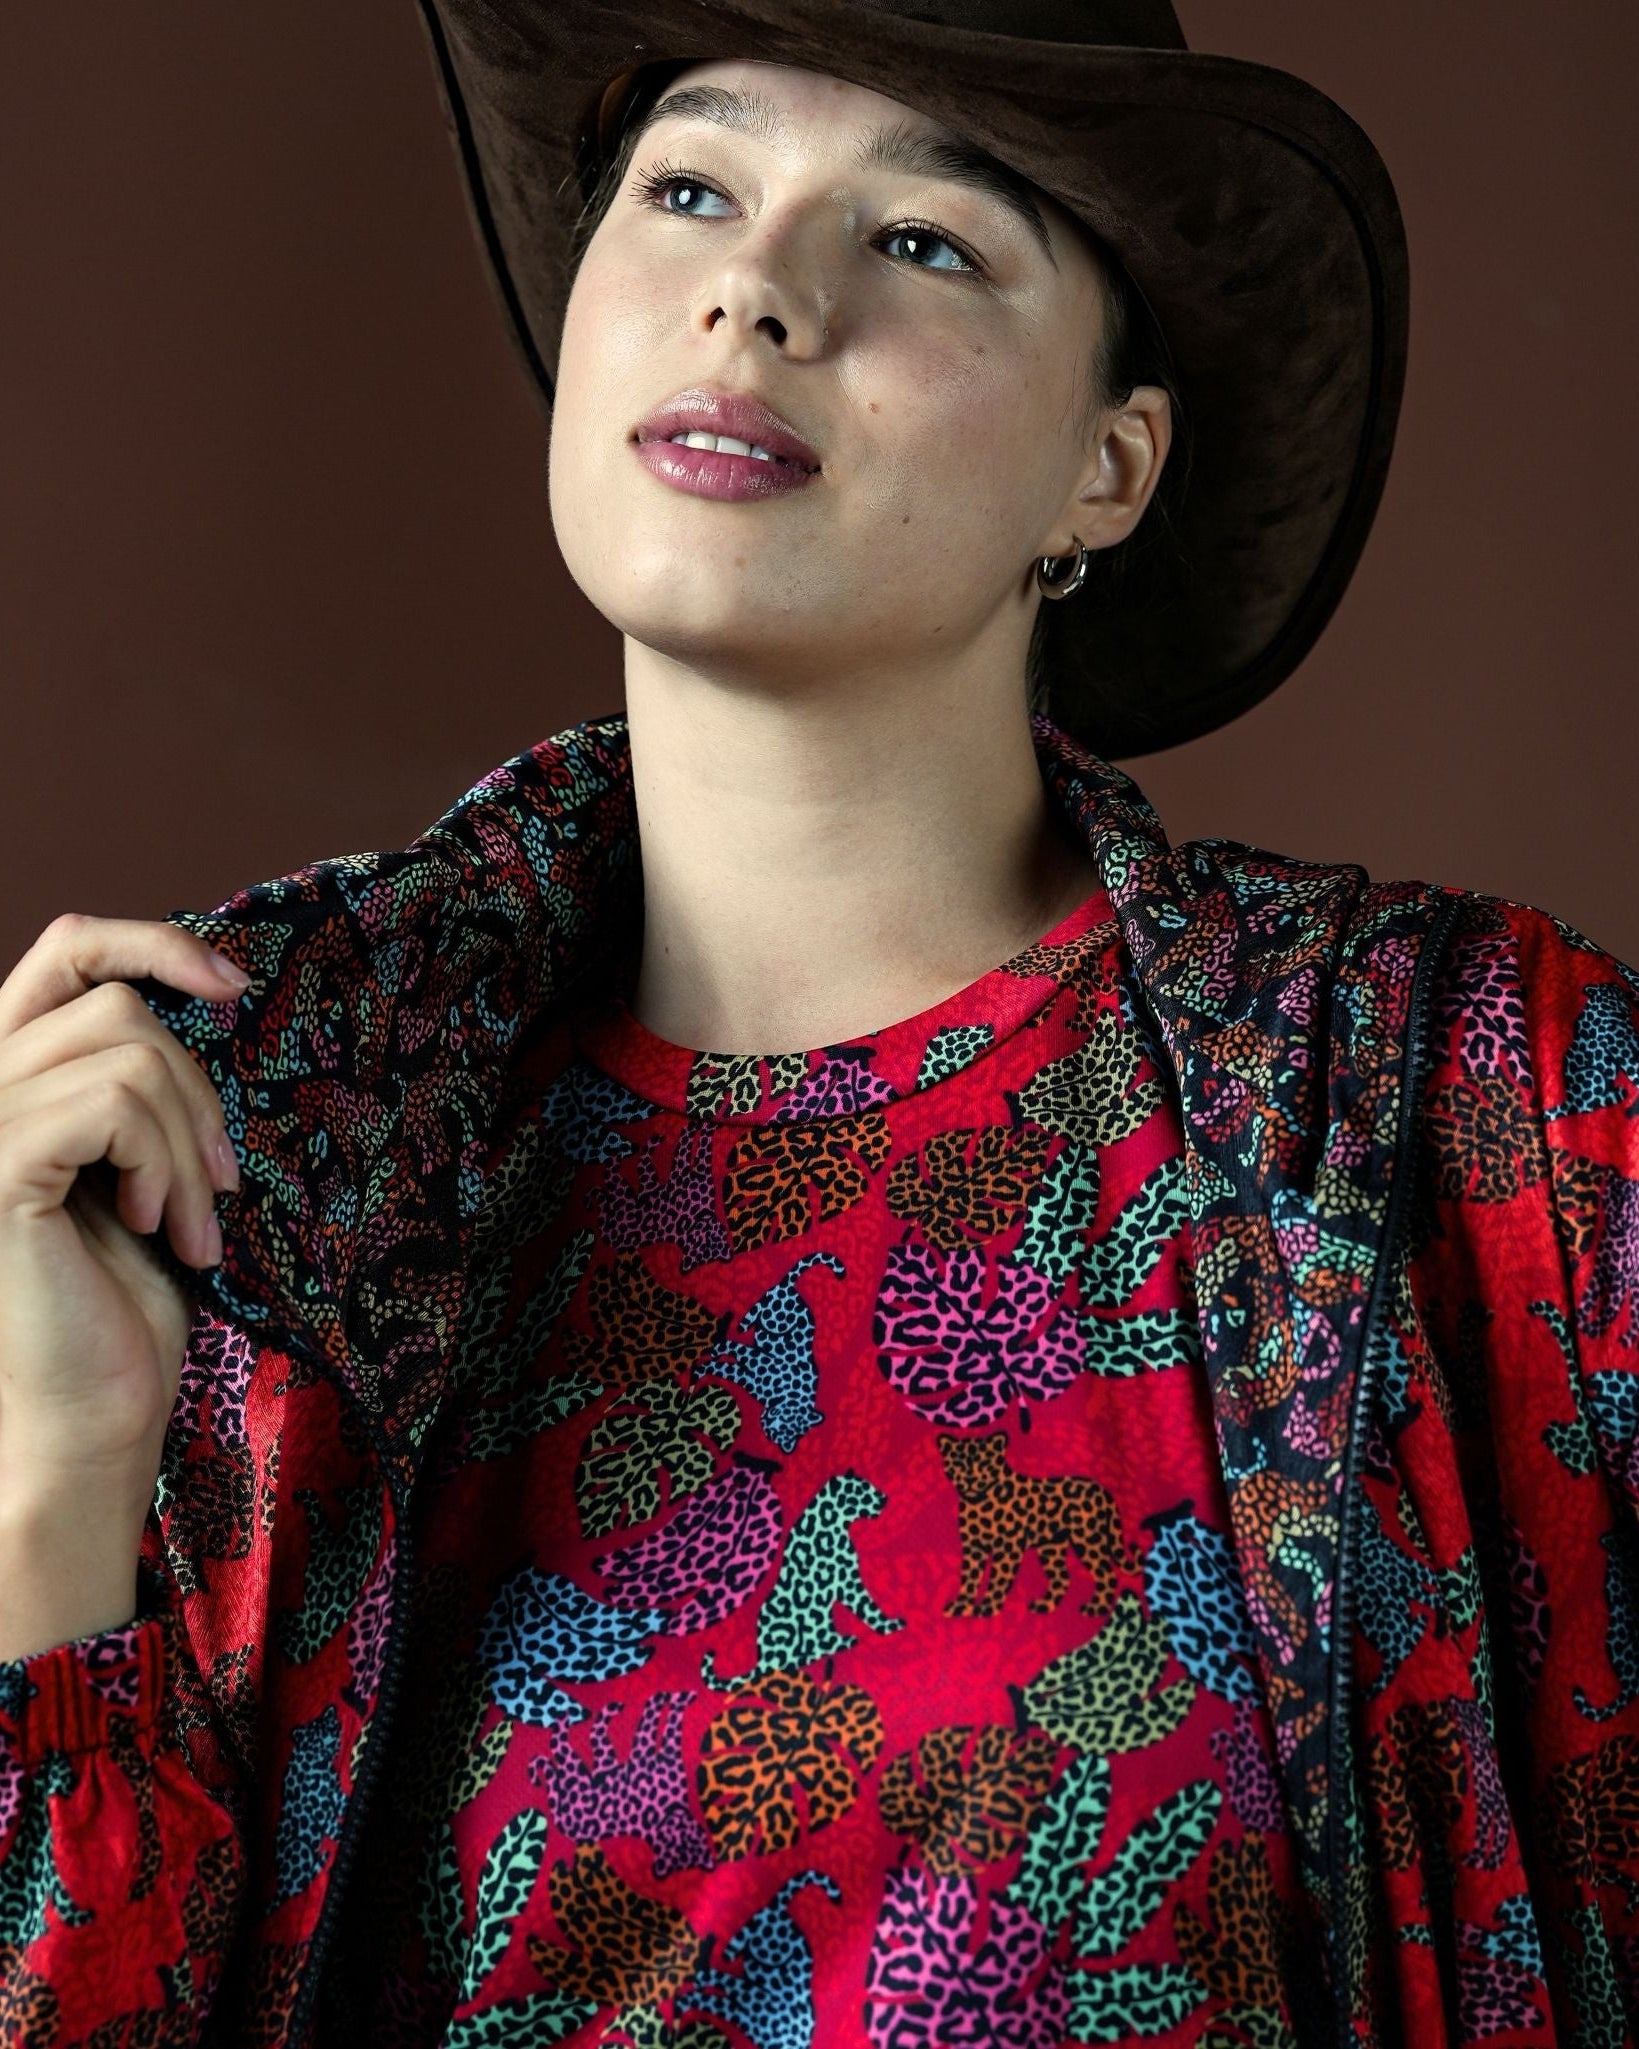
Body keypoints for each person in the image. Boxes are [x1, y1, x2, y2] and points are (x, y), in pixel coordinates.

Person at [0, 3, 1635, 2044]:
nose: (756, 293)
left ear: (1107, 466)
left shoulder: (1472, 1116)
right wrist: (51, 1480)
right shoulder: (237, 1169)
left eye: (925, 242)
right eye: (690, 188)